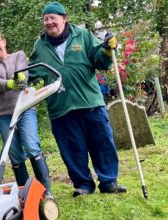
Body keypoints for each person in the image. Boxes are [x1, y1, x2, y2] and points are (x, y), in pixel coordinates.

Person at [28, 1, 127, 197]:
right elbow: (32, 71)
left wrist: (107, 49)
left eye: (52, 18)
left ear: (64, 19)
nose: (49, 22)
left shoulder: (82, 35)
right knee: (72, 149)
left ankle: (109, 182)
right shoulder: (40, 45)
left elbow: (101, 61)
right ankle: (83, 185)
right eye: (45, 19)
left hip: (90, 101)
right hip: (60, 107)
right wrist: (21, 81)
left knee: (102, 143)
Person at [0, 29, 52, 198]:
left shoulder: (18, 55)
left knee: (31, 146)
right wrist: (11, 84)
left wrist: (21, 77)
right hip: (4, 114)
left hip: (25, 108)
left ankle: (45, 191)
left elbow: (23, 71)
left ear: (4, 41)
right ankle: (26, 194)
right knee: (15, 154)